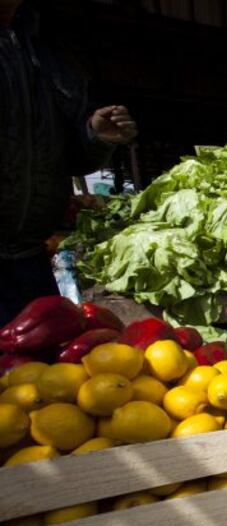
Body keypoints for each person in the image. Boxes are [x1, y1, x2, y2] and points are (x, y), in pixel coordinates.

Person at [0, 0, 137, 325]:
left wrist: (97, 135)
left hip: (29, 258)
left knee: (38, 369)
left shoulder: (46, 48)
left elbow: (72, 156)